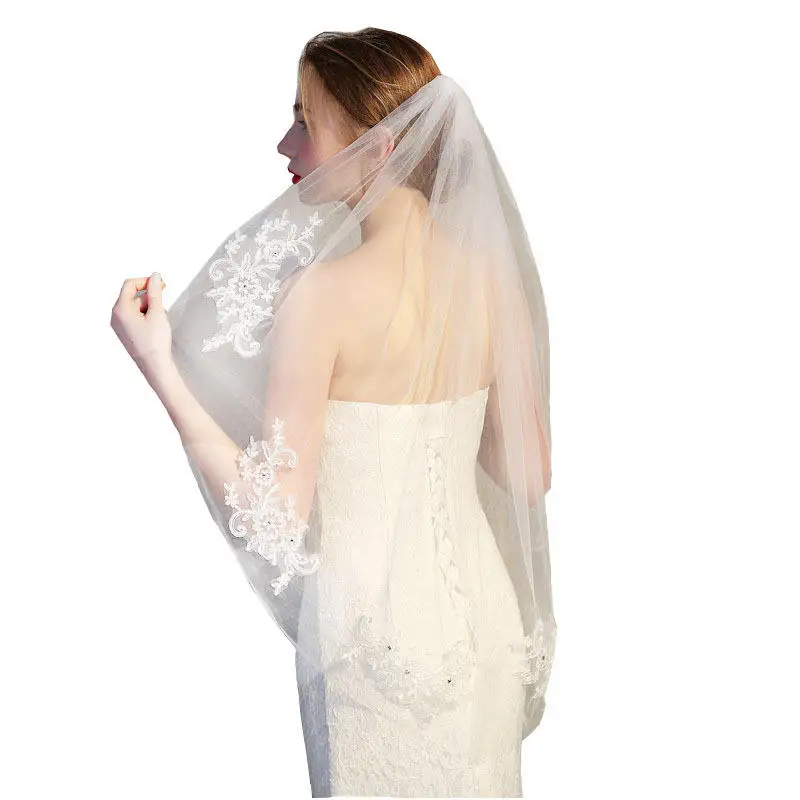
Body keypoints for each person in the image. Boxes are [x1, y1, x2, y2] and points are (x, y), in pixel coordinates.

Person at [110, 27, 556, 798]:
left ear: (376, 148)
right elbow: (527, 472)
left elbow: (274, 517)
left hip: (368, 641)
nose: (285, 144)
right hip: (483, 621)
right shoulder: (488, 275)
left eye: (305, 122)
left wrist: (160, 369)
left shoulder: (321, 297)